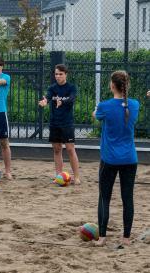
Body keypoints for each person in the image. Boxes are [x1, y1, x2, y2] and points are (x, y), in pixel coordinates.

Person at [92, 71, 139, 248]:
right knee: (128, 198)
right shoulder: (135, 104)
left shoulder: (104, 106)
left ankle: (102, 237)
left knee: (104, 197)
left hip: (110, 159)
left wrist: (96, 111)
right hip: (129, 158)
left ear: (112, 85)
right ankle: (126, 238)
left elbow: (96, 116)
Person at [38, 64, 81, 184]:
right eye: (56, 74)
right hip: (54, 122)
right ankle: (58, 176)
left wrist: (62, 101)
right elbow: (47, 97)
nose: (58, 76)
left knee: (70, 149)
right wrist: (44, 101)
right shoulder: (52, 88)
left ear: (66, 74)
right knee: (57, 149)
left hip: (67, 123)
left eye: (60, 74)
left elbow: (72, 99)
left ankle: (76, 177)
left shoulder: (71, 87)